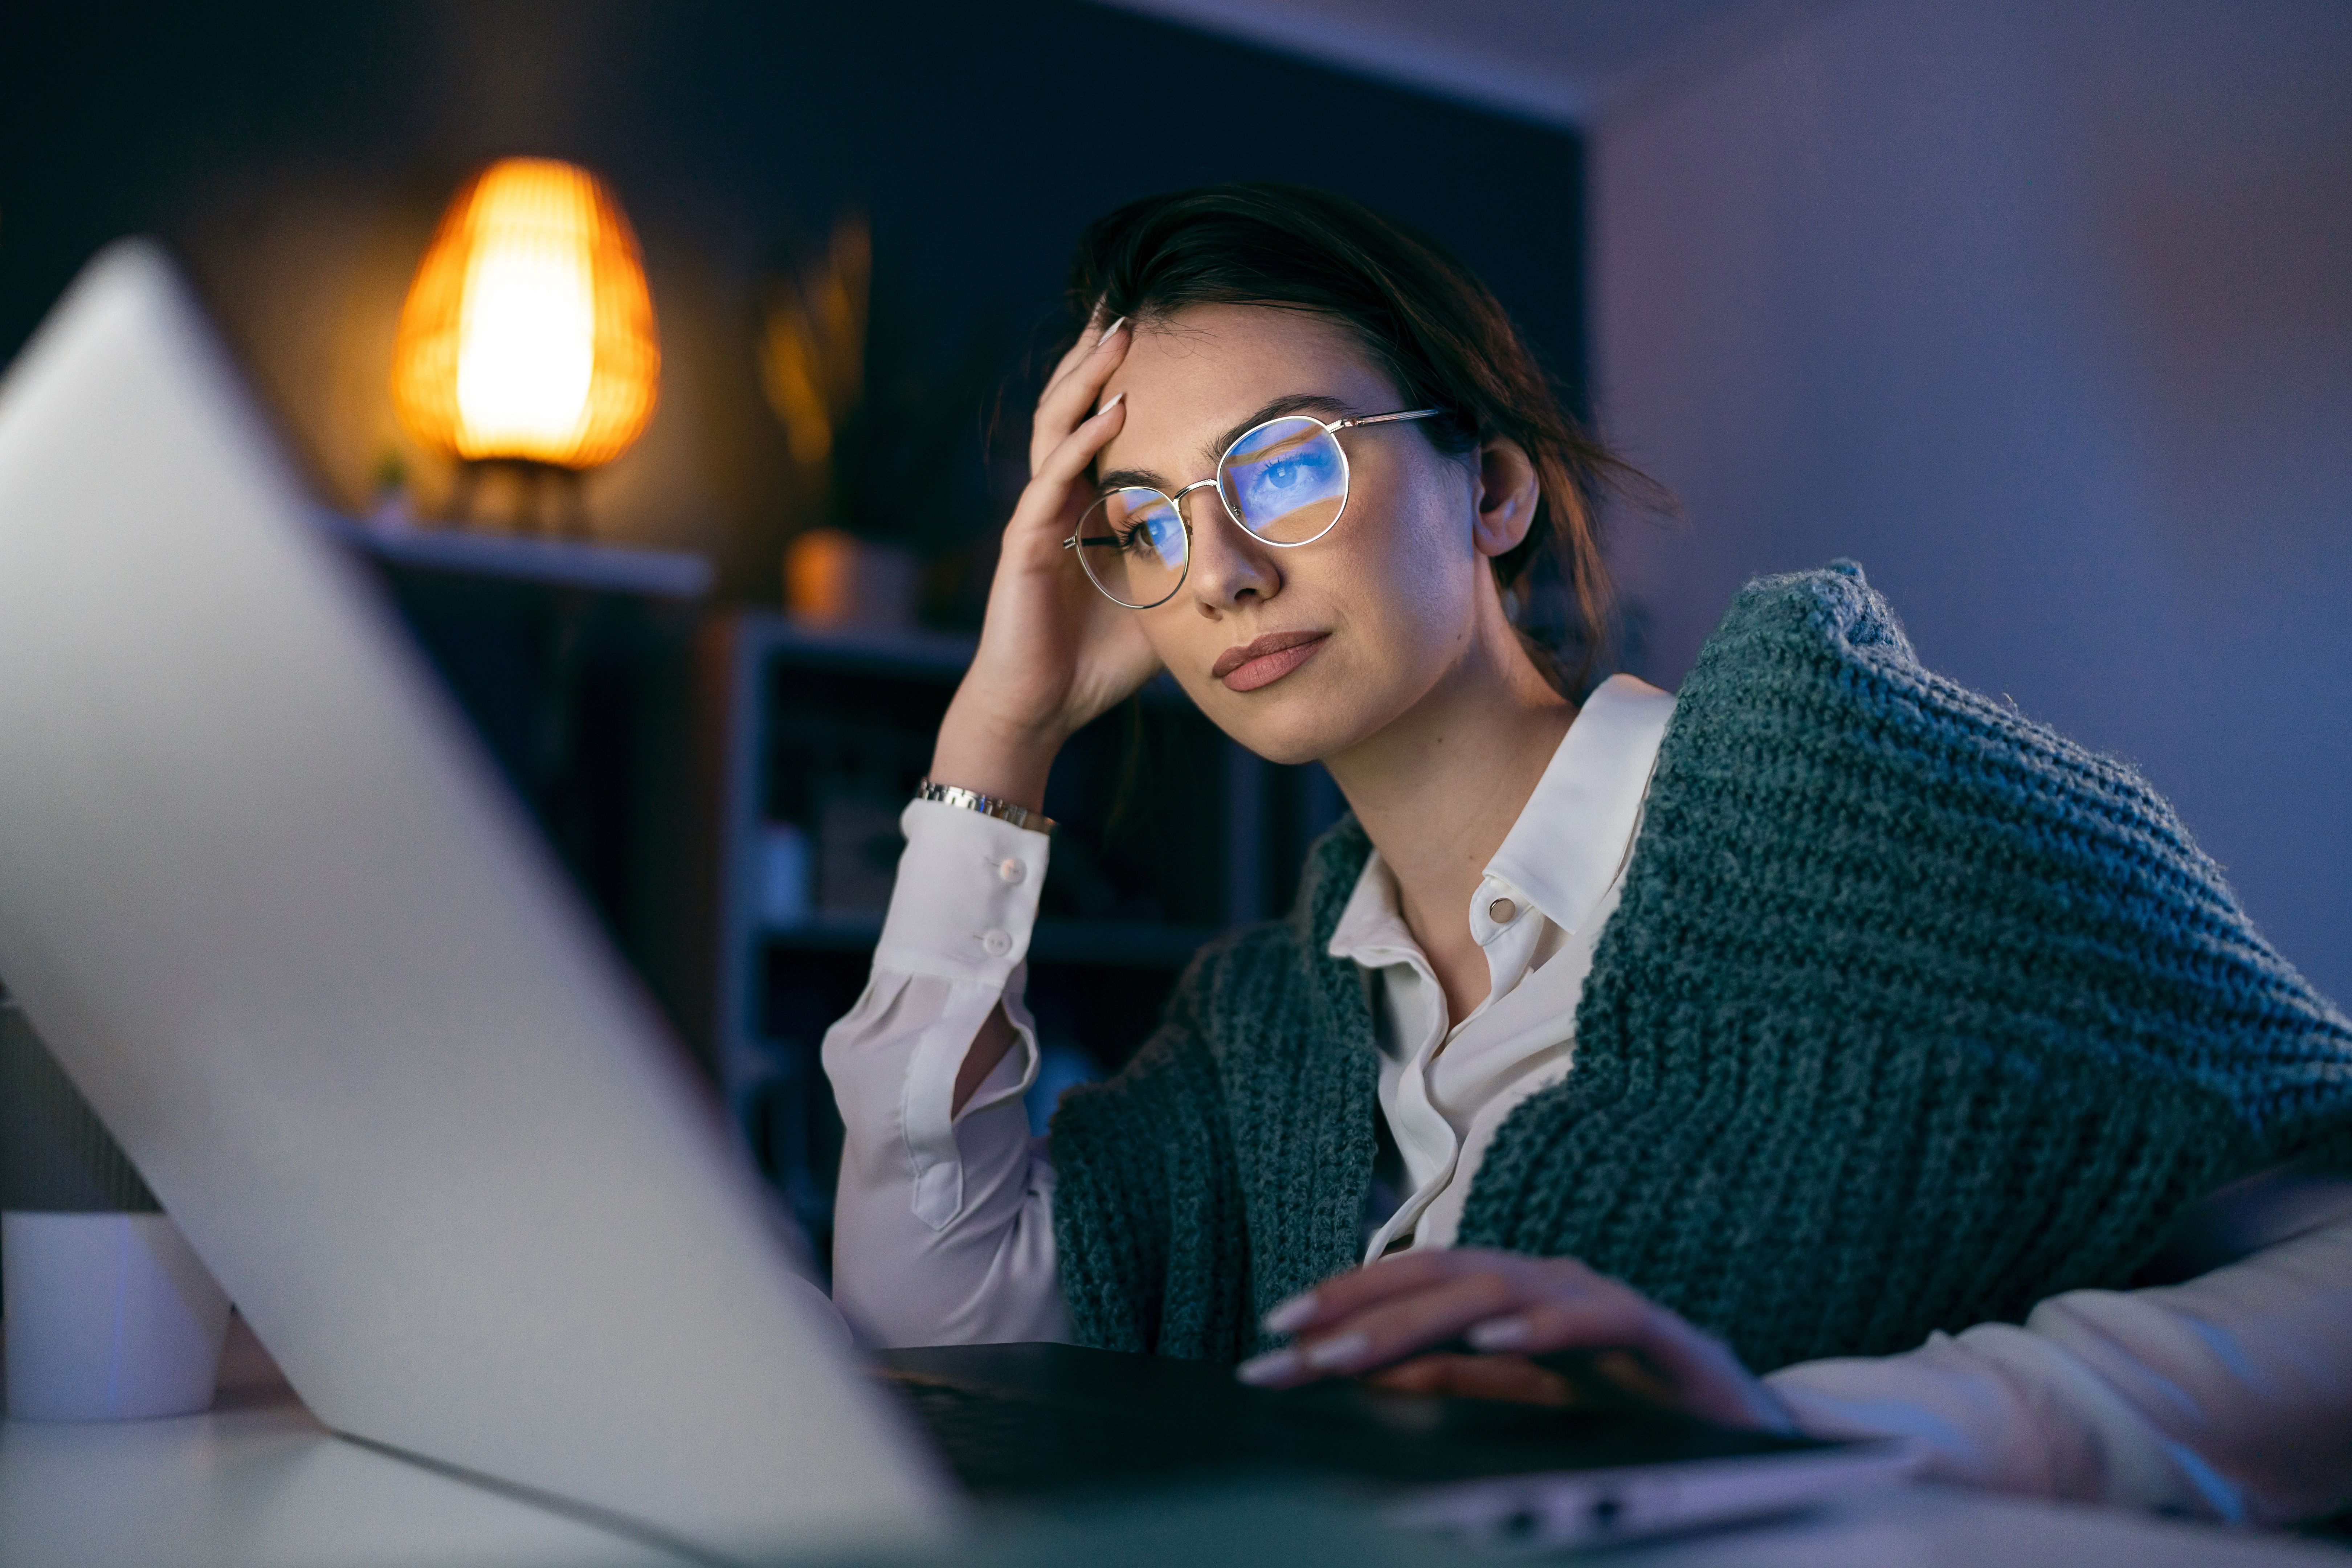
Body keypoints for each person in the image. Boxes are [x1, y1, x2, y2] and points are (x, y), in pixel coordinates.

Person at [821, 183, 2352, 1525]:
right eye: (1147, 523)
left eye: (1285, 465)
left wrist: (1817, 1436)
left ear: (1493, 492)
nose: (1217, 571)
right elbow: (939, 1340)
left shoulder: (1849, 790)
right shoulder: (1264, 1027)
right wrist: (999, 732)